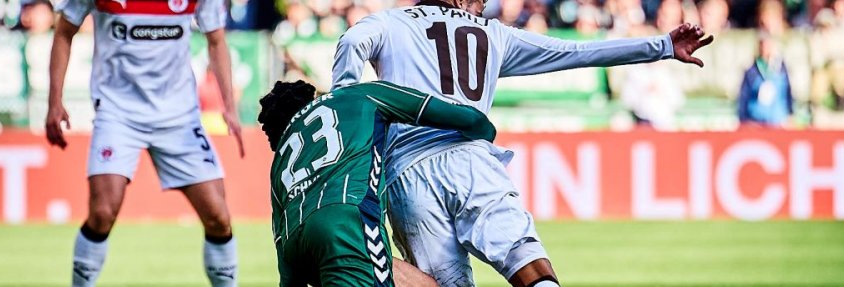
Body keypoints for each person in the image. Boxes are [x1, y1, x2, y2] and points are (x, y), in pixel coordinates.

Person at [331, 0, 713, 286]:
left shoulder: (389, 22)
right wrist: (662, 45)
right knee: (527, 263)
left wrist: (343, 97)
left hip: (408, 178)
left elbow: (352, 41)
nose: (482, 5)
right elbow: (575, 53)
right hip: (472, 161)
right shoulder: (492, 34)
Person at [44, 0, 245, 286]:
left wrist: (229, 107)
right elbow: (64, 32)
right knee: (102, 213)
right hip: (118, 113)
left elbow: (216, 40)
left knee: (218, 216)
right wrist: (54, 102)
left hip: (179, 117)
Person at [258, 80, 494, 286]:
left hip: (297, 245)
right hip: (347, 220)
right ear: (312, 98)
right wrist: (484, 132)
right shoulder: (358, 94)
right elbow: (464, 118)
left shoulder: (279, 162)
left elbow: (284, 251)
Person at [737, 34, 794, 127]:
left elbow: (788, 92)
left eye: (769, 46)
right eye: (763, 46)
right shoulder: (752, 70)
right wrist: (743, 119)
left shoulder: (781, 68)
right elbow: (744, 96)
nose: (766, 49)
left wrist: (791, 113)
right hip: (756, 122)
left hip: (779, 120)